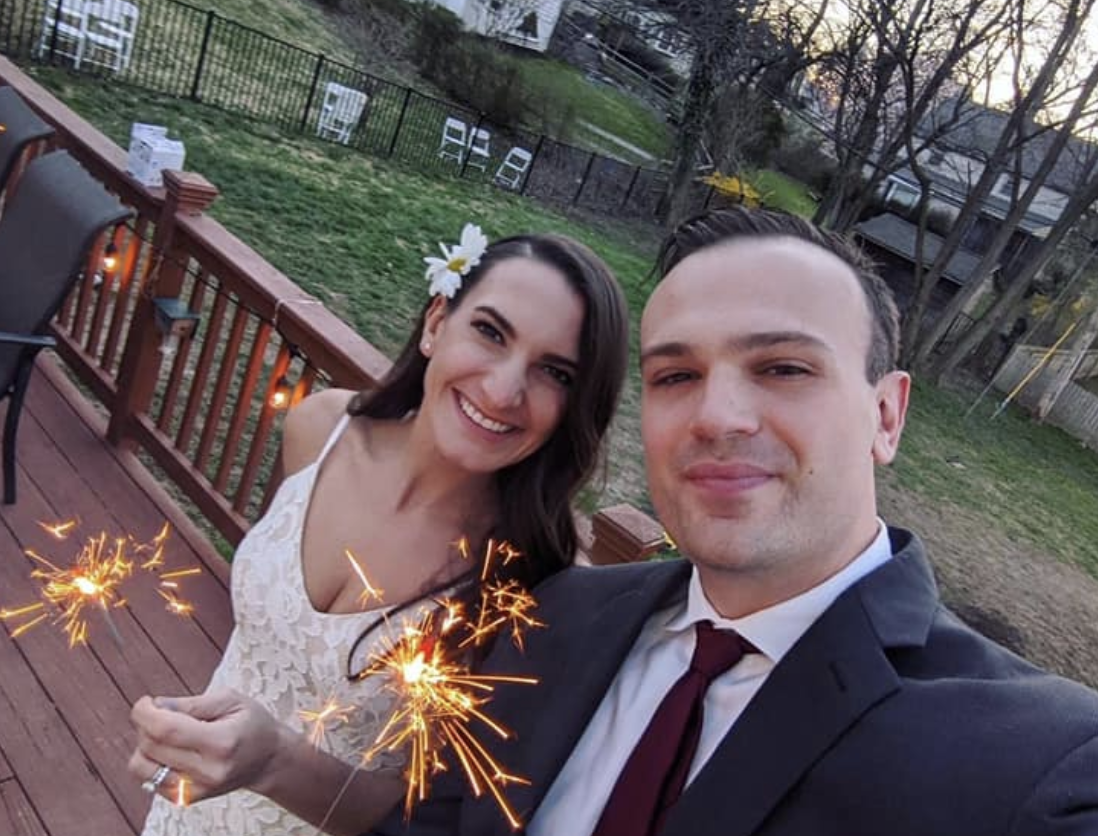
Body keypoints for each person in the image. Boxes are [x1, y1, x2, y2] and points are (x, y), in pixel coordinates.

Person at [368, 207, 1098, 836]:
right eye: (676, 377)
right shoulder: (553, 619)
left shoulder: (1041, 767)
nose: (716, 417)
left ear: (885, 415)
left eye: (783, 368)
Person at [127, 225, 630, 836]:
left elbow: (433, 817)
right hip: (185, 811)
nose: (503, 391)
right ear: (437, 322)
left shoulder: (536, 582)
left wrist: (269, 761)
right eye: (490, 332)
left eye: (556, 373)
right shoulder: (320, 429)